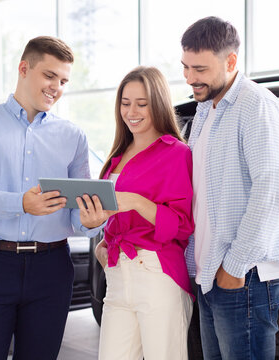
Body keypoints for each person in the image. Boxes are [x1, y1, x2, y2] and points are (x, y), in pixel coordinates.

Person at [0, 36, 107, 360]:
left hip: (52, 269)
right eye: (49, 76)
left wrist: (92, 222)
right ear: (24, 68)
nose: (56, 87)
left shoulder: (73, 136)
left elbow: (78, 215)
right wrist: (20, 203)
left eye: (63, 81)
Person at [181, 17, 279, 360]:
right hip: (211, 275)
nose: (189, 78)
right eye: (185, 67)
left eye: (199, 68)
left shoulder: (256, 105)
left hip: (245, 278)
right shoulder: (204, 111)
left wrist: (234, 267)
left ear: (230, 62)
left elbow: (270, 192)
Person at [92, 66, 194, 360]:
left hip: (156, 275)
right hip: (117, 276)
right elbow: (109, 216)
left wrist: (137, 202)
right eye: (125, 103)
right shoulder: (116, 157)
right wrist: (98, 233)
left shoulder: (176, 153)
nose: (131, 111)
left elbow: (182, 226)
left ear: (158, 104)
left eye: (141, 103)